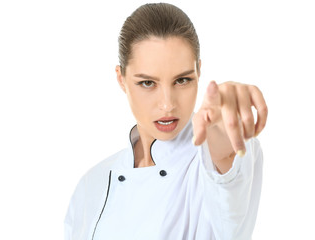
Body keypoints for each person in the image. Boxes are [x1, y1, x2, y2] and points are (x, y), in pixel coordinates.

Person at [64, 3, 268, 240]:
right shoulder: (92, 184)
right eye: (147, 83)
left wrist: (227, 126)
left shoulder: (210, 160)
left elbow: (226, 157)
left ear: (198, 71)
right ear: (122, 79)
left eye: (182, 80)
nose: (167, 104)